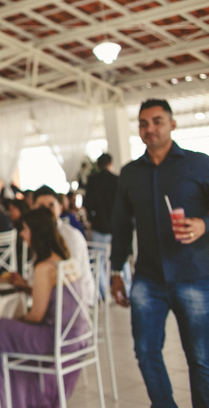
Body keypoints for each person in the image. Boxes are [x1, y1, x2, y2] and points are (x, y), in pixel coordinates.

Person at [110, 99, 209, 408]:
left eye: (157, 121)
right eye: (143, 123)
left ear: (172, 124)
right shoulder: (129, 173)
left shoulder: (199, 164)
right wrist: (115, 272)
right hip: (148, 278)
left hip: (194, 275)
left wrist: (204, 225)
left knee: (201, 358)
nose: (150, 128)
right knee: (145, 352)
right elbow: (122, 225)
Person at [0, 208, 89, 408]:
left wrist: (18, 319)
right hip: (78, 337)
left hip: (57, 339)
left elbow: (36, 316)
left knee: (1, 329)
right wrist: (26, 288)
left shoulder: (44, 268)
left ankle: (14, 401)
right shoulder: (64, 259)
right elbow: (56, 299)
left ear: (36, 232)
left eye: (25, 229)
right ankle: (28, 397)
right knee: (13, 330)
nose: (22, 234)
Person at [33, 186, 94, 304]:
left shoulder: (70, 236)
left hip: (77, 300)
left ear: (60, 209)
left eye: (51, 205)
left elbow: (71, 278)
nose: (46, 211)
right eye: (41, 207)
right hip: (54, 294)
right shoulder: (37, 234)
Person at [84, 153, 124, 296]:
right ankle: (126, 290)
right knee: (121, 258)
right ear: (110, 164)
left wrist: (92, 217)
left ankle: (102, 293)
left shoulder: (93, 180)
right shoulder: (117, 180)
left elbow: (88, 203)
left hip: (99, 225)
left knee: (98, 262)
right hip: (116, 226)